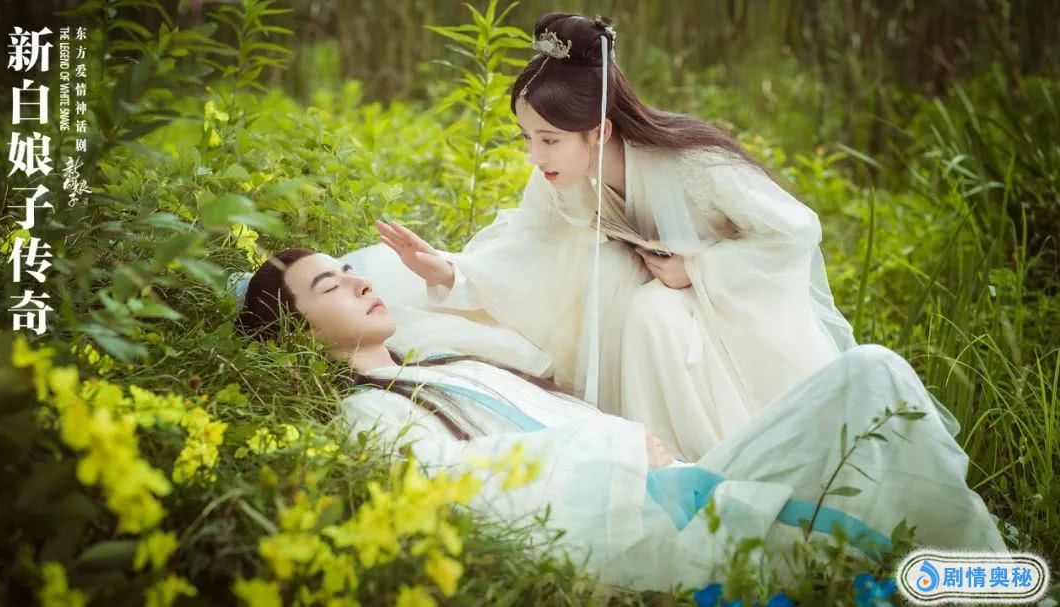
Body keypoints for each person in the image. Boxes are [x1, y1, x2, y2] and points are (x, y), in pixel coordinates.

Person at [235, 248, 1006, 592]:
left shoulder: (442, 363)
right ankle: (990, 580)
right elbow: (454, 488)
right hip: (643, 516)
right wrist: (619, 449)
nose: (358, 283)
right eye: (330, 286)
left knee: (869, 376)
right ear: (297, 332)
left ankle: (984, 573)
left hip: (678, 480)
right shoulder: (368, 413)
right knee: (871, 379)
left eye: (350, 270)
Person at [375, 12, 855, 462]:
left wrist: (696, 268)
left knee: (655, 311)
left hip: (731, 309)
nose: (535, 156)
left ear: (600, 131)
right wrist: (449, 272)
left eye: (549, 139)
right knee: (614, 278)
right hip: (652, 306)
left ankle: (703, 456)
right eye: (527, 137)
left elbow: (795, 231)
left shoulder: (695, 166)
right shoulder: (558, 175)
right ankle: (641, 452)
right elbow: (529, 247)